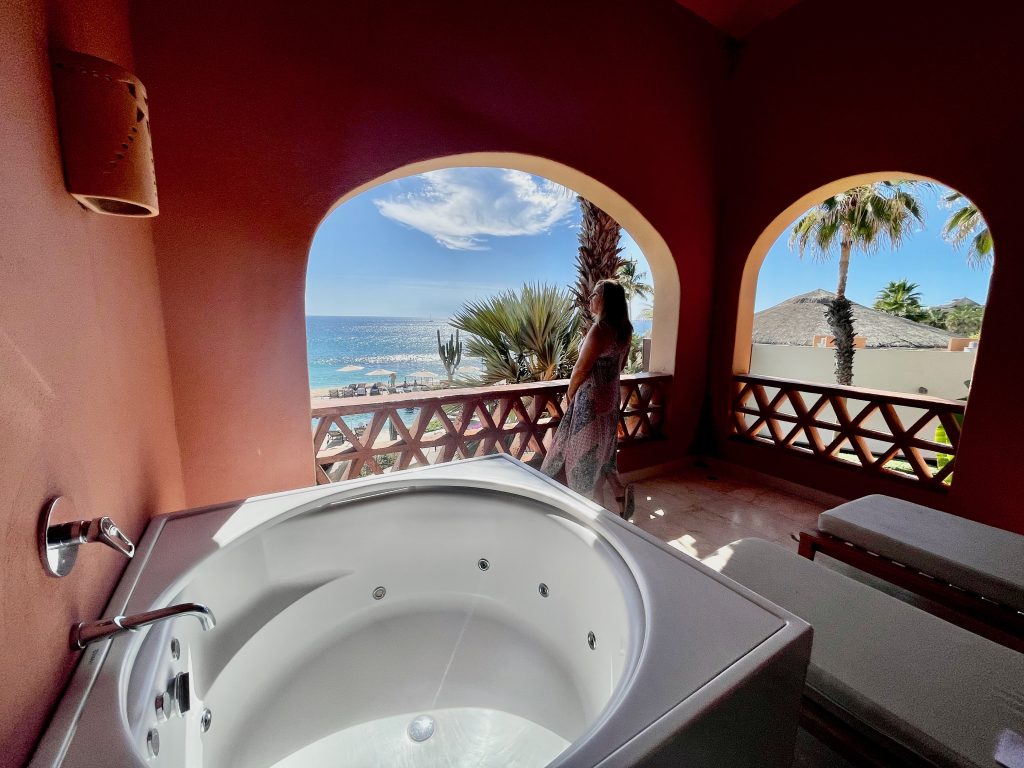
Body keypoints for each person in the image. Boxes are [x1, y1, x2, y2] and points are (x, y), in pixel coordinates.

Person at [542, 278, 634, 517]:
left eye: (596, 294)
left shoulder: (600, 330)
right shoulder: (625, 330)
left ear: (606, 301)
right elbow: (620, 365)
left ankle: (593, 514)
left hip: (591, 401)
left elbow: (581, 369)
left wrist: (571, 394)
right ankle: (618, 495)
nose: (591, 298)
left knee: (583, 456)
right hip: (610, 399)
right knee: (603, 452)